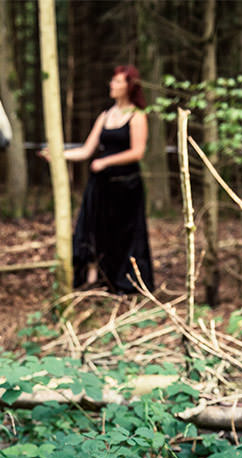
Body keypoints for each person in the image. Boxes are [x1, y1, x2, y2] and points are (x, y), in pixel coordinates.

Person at [43, 65, 155, 293]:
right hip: (102, 186)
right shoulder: (105, 116)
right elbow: (86, 150)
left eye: (117, 82)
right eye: (112, 81)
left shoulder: (137, 116)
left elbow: (137, 152)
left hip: (127, 187)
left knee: (126, 234)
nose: (112, 85)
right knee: (96, 229)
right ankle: (96, 279)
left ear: (129, 87)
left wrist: (106, 161)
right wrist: (58, 155)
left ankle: (126, 282)